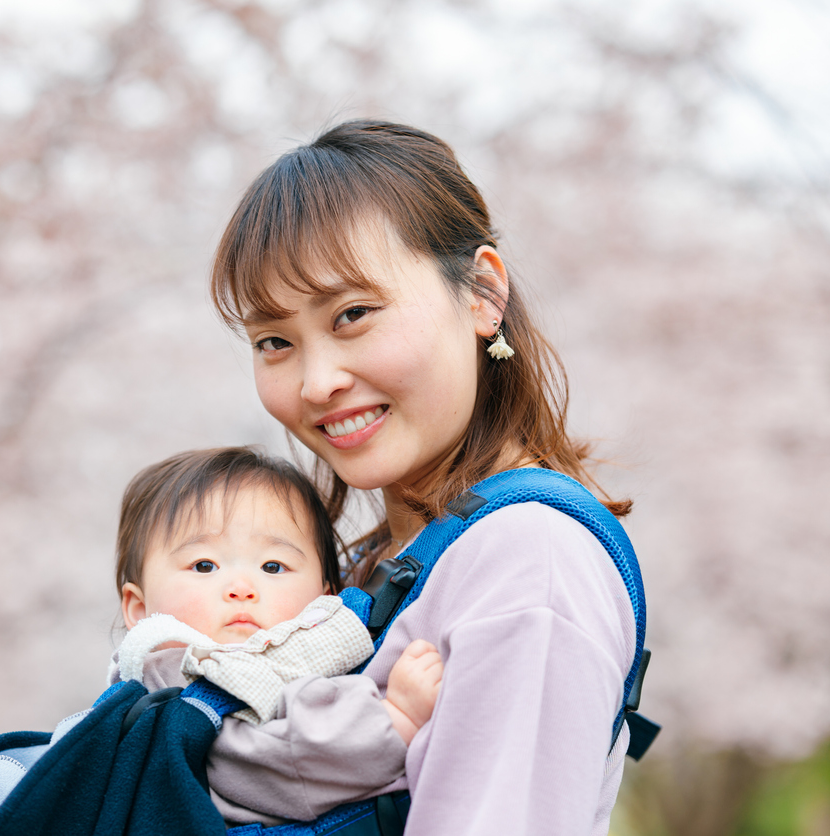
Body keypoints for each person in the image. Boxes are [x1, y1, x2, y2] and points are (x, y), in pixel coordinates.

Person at [209, 120, 638, 835]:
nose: (316, 383)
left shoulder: (529, 565)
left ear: (481, 293)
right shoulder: (370, 568)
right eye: (274, 341)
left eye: (353, 315)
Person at [109, 447, 444, 825]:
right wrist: (394, 720)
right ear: (140, 610)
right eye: (204, 565)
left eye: (273, 566)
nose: (241, 587)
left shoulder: (292, 660)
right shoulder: (176, 682)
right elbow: (275, 766)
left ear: (326, 601)